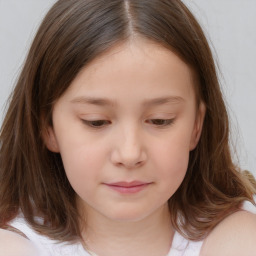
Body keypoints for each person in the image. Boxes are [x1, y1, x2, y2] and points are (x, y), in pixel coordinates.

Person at [0, 0, 256, 255]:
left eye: (160, 120)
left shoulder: (238, 241)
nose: (130, 154)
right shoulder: (14, 246)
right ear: (48, 128)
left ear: (196, 126)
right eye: (96, 121)